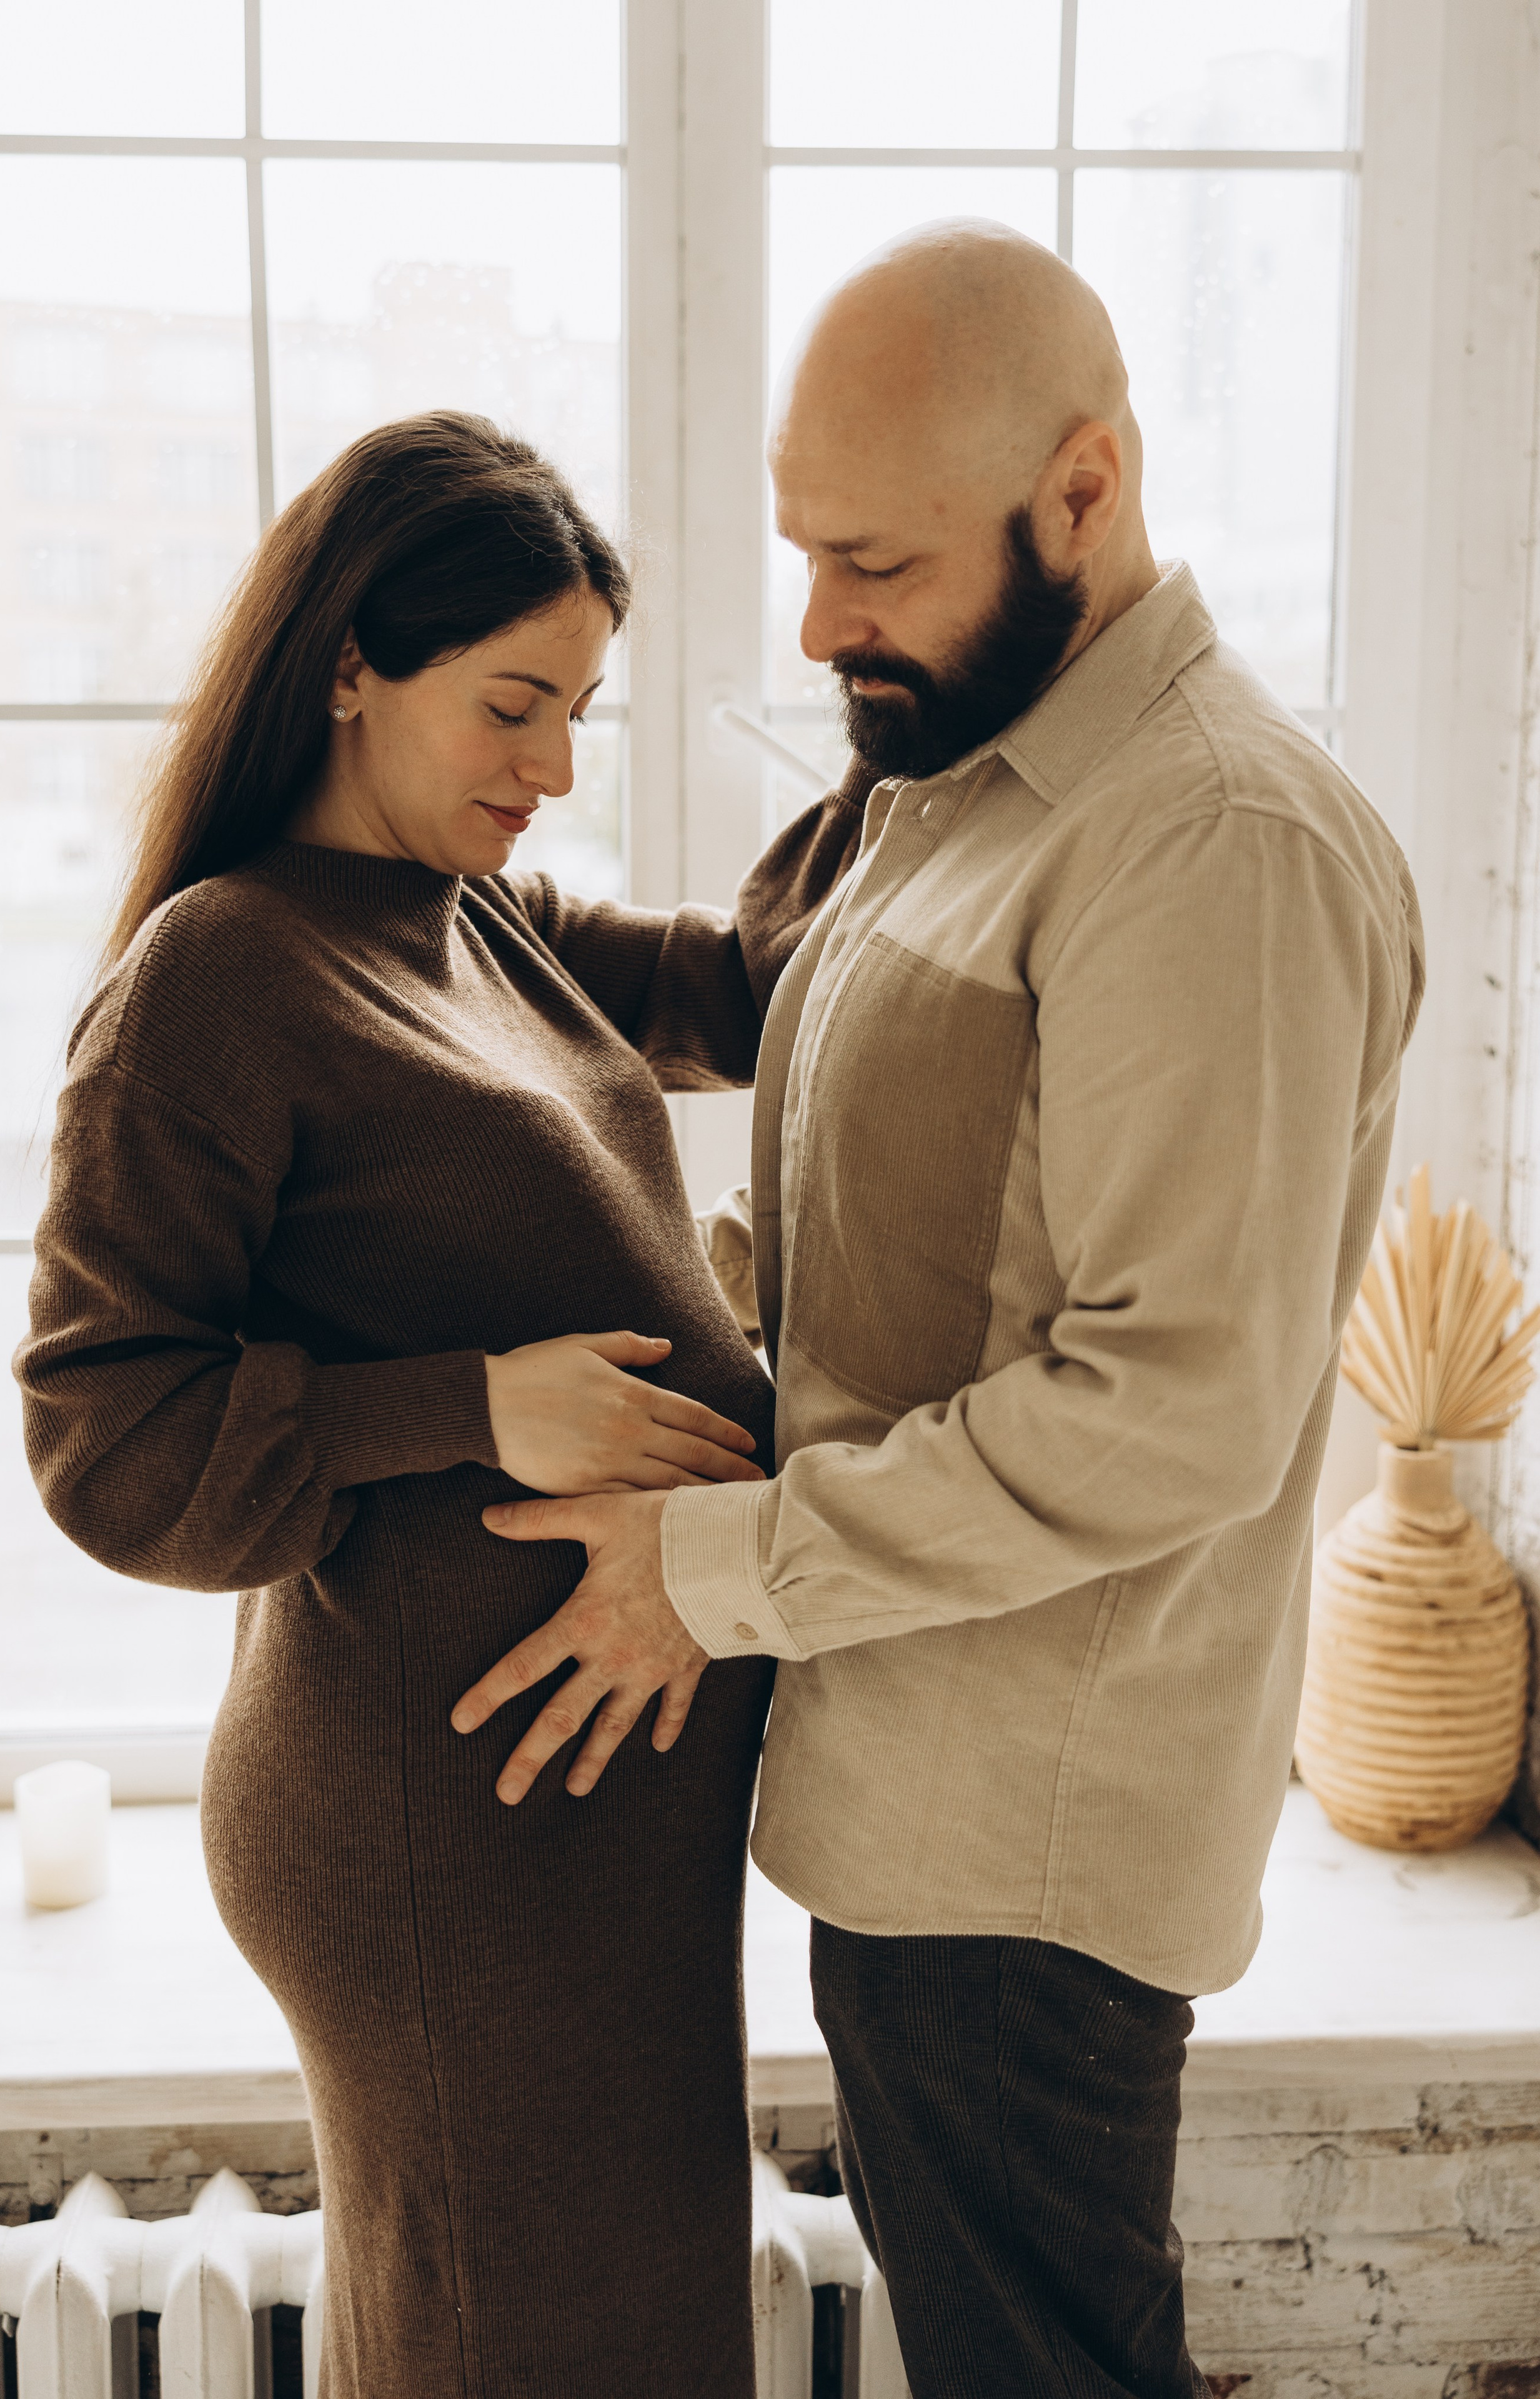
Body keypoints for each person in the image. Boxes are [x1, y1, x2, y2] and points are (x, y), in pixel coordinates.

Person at [452, 226, 1427, 2398]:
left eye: (872, 563)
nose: (820, 625)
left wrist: (708, 1573)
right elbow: (793, 1084)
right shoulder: (957, 778)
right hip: (917, 1809)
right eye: (810, 555)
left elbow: (1175, 1410)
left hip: (1029, 1875)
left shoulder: (1213, 851)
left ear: (1085, 492)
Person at [12, 411, 866, 2398]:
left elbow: (759, 985)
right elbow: (100, 1437)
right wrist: (474, 1407)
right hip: (438, 1826)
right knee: (528, 2343)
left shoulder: (484, 926)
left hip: (568, 1820)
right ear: (345, 670)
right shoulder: (217, 979)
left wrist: (896, 714)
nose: (554, 767)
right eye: (511, 705)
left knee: (583, 2333)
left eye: (577, 708)